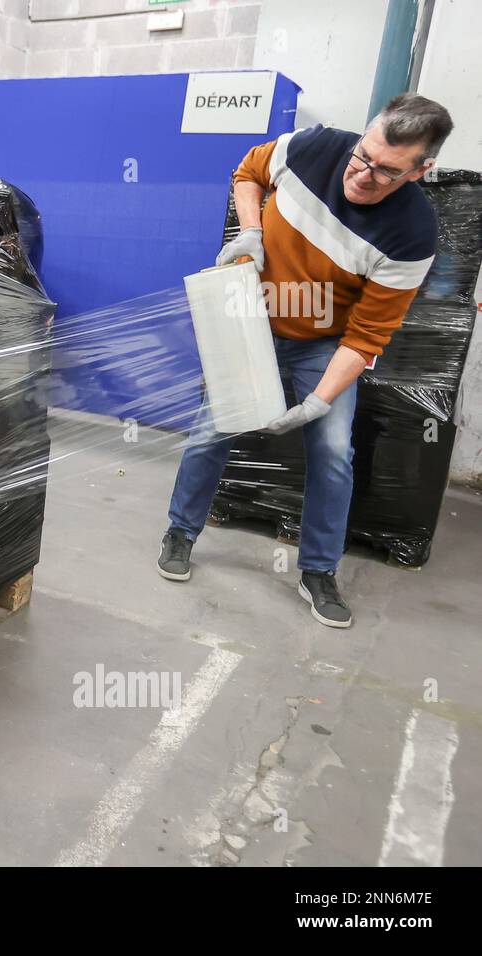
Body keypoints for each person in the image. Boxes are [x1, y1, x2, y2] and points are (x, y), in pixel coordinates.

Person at [158, 93, 453, 628]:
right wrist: (250, 230)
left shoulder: (412, 236)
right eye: (364, 155)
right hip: (253, 318)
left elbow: (367, 336)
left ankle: (318, 569)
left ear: (420, 171)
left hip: (325, 343)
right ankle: (180, 531)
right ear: (363, 134)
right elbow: (248, 171)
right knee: (212, 430)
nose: (363, 175)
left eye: (386, 172)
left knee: (334, 449)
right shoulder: (314, 147)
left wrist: (318, 401)